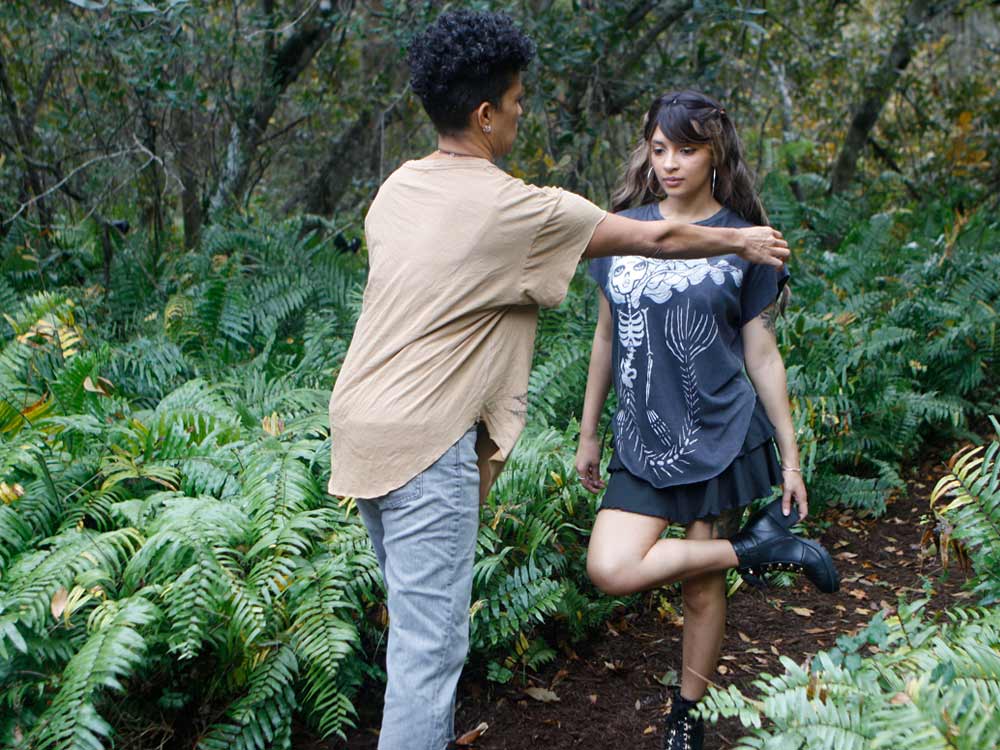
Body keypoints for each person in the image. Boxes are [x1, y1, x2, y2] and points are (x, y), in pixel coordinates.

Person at [327, 12, 794, 750]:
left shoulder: (397, 189)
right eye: (516, 101)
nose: (521, 112)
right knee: (429, 652)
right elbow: (659, 236)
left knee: (415, 629)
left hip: (360, 435)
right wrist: (741, 237)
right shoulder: (515, 207)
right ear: (485, 114)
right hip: (422, 443)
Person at [575, 90, 839, 750]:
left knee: (700, 588)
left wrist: (793, 455)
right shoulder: (623, 229)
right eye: (660, 149)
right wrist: (589, 430)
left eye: (686, 150)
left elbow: (762, 353)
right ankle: (763, 549)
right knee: (609, 566)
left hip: (716, 434)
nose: (669, 163)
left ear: (716, 154)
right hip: (639, 440)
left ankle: (686, 714)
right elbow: (605, 338)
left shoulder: (745, 242)